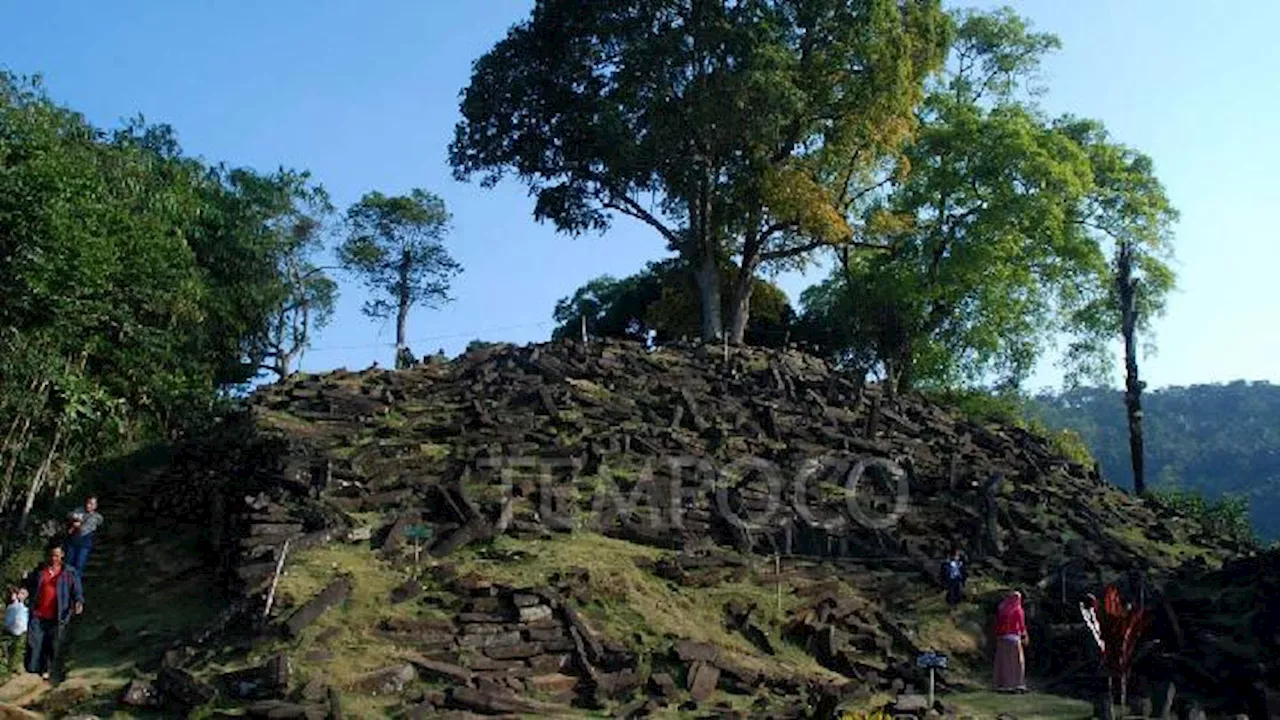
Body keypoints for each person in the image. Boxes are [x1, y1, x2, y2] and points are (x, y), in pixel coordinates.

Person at [24, 545, 84, 681]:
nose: (53, 558)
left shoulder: (69, 573)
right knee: (34, 642)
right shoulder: (40, 571)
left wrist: (78, 602)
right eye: (51, 555)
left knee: (52, 644)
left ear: (62, 555)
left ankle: (48, 669)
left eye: (56, 555)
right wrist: (24, 590)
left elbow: (77, 591)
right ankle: (32, 671)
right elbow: (29, 585)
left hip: (58, 615)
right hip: (38, 614)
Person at [993, 590, 1029, 693]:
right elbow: (1021, 625)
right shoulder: (1018, 609)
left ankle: (1002, 683)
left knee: (1003, 662)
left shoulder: (1002, 608)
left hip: (1002, 638)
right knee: (1017, 662)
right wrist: (1025, 635)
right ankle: (1016, 683)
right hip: (1014, 637)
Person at [63, 496, 103, 578]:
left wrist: (78, 525)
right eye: (88, 503)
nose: (89, 506)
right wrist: (75, 518)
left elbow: (87, 528)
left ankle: (76, 585)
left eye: (91, 504)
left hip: (85, 544)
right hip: (73, 542)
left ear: (95, 506)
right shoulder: (79, 510)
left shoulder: (96, 517)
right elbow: (69, 515)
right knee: (68, 564)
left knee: (79, 565)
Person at [1, 587, 28, 681]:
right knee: (14, 651)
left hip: (19, 631)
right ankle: (13, 668)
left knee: (15, 651)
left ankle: (14, 668)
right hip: (14, 631)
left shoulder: (19, 607)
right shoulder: (13, 607)